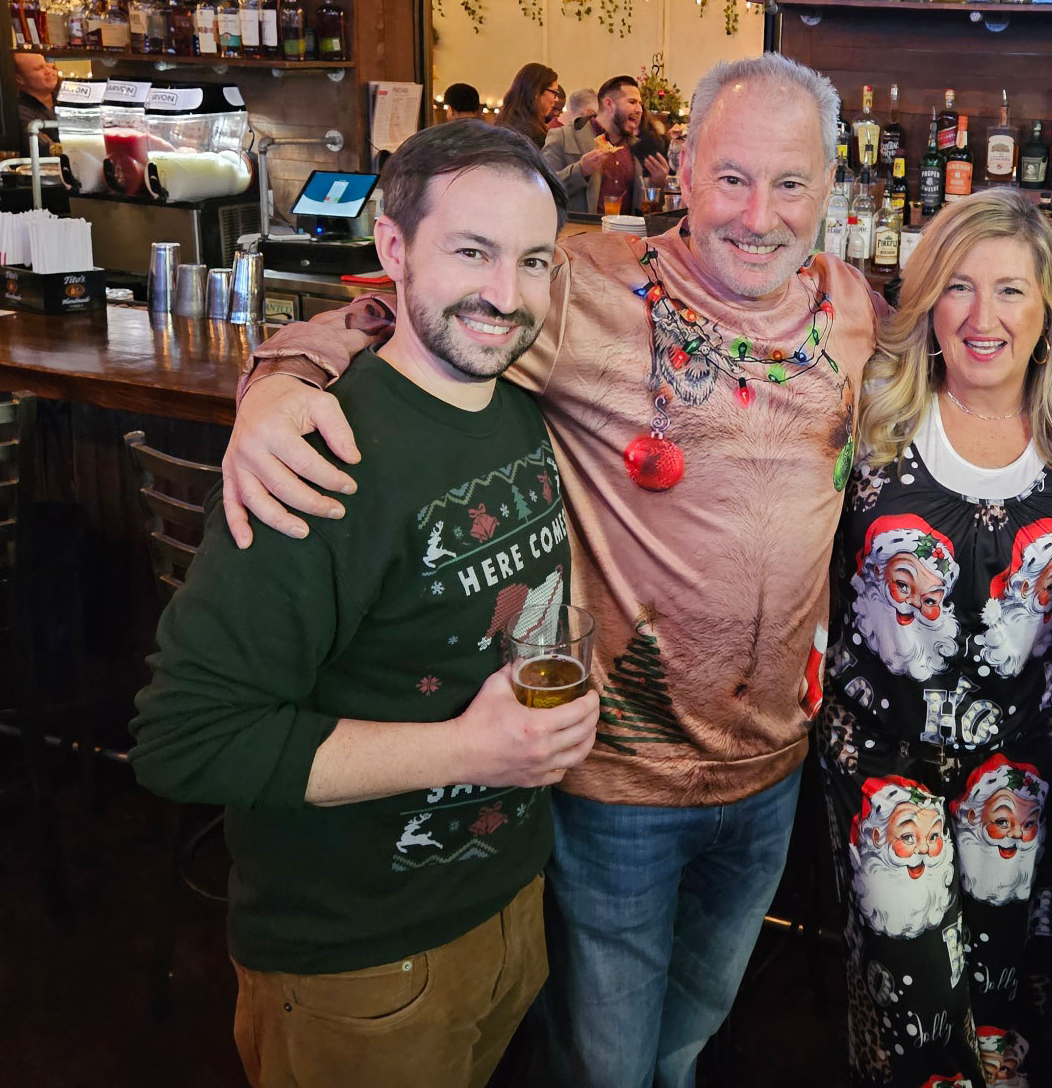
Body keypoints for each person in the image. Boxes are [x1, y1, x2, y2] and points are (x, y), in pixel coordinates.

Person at [216, 53, 882, 1088]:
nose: (758, 215)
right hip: (614, 781)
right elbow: (391, 315)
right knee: (604, 1065)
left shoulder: (851, 312)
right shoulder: (583, 288)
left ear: (828, 190)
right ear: (681, 175)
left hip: (769, 774)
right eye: (730, 179)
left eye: (789, 183)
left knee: (689, 1035)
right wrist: (280, 380)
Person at [129, 121, 601, 1088]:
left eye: (534, 261)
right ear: (394, 249)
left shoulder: (515, 407)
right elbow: (186, 737)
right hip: (360, 960)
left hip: (507, 905)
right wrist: (470, 750)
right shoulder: (318, 455)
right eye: (471, 252)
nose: (506, 296)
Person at [822, 189, 1052, 1087]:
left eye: (1013, 292)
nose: (984, 319)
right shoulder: (870, 411)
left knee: (1003, 1001)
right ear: (926, 301)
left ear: (1048, 307)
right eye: (959, 288)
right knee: (917, 1003)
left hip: (1024, 762)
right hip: (879, 754)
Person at [543, 74, 668, 217]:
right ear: (609, 104)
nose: (639, 109)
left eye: (640, 103)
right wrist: (581, 170)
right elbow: (544, 190)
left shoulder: (637, 149)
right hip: (580, 235)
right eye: (632, 102)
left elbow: (646, 208)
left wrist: (658, 184)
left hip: (626, 236)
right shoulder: (563, 137)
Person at [499, 61, 564, 147]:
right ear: (536, 92)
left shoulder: (505, 120)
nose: (556, 99)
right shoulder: (533, 134)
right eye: (554, 92)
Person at [12, 50, 59, 134]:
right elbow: (43, 144)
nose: (48, 71)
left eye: (48, 66)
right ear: (20, 79)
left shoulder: (68, 100)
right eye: (38, 68)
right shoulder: (18, 110)